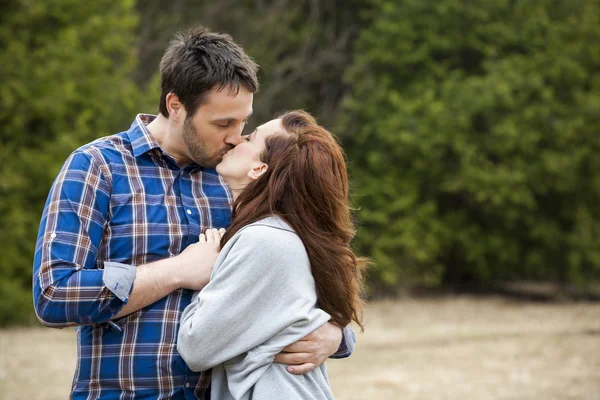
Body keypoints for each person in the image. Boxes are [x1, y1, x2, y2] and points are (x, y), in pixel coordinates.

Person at [32, 27, 354, 399]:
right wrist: (178, 271)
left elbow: (307, 264)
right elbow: (53, 295)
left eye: (243, 123)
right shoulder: (97, 168)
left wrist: (336, 333)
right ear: (175, 106)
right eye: (222, 124)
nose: (236, 137)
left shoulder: (242, 180)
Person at [177, 110, 367, 399]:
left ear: (258, 169)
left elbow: (196, 347)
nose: (238, 138)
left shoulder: (264, 240)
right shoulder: (282, 233)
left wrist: (203, 275)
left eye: (250, 138)